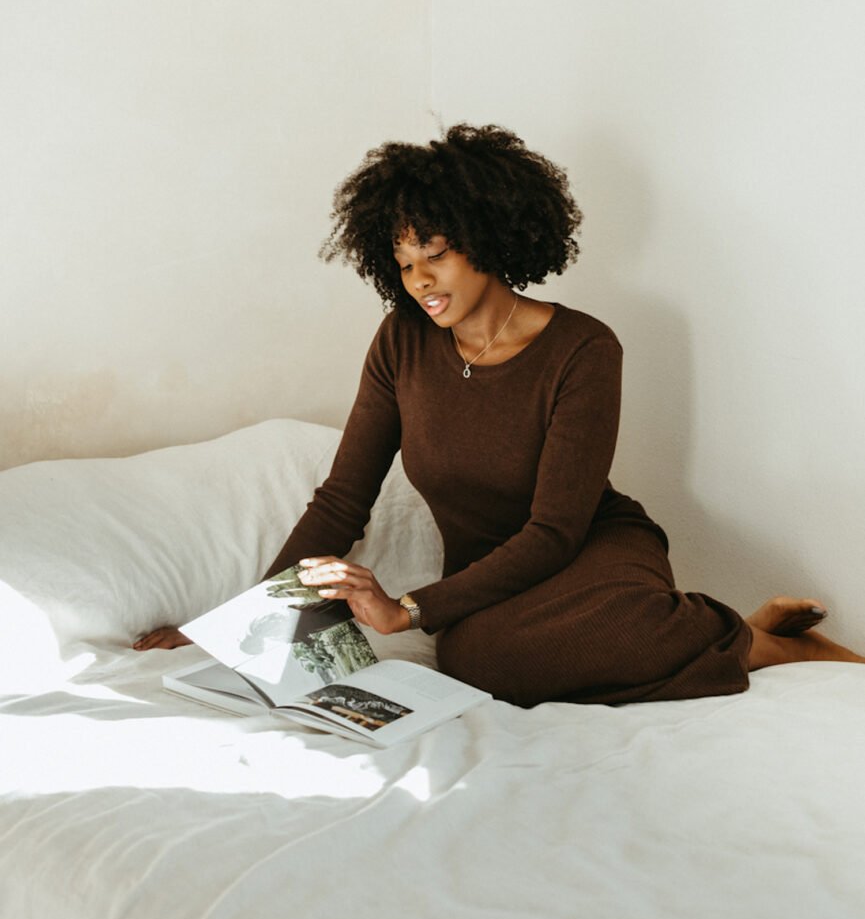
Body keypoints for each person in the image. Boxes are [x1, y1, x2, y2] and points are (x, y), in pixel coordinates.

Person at [135, 124, 865, 702]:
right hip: (489, 576)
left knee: (526, 644)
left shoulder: (583, 349)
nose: (418, 279)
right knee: (479, 659)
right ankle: (728, 632)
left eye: (437, 254)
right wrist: (229, 630)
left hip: (588, 551)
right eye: (402, 262)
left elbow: (553, 531)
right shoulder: (401, 342)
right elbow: (341, 502)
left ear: (488, 239)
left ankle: (750, 637)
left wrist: (408, 610)